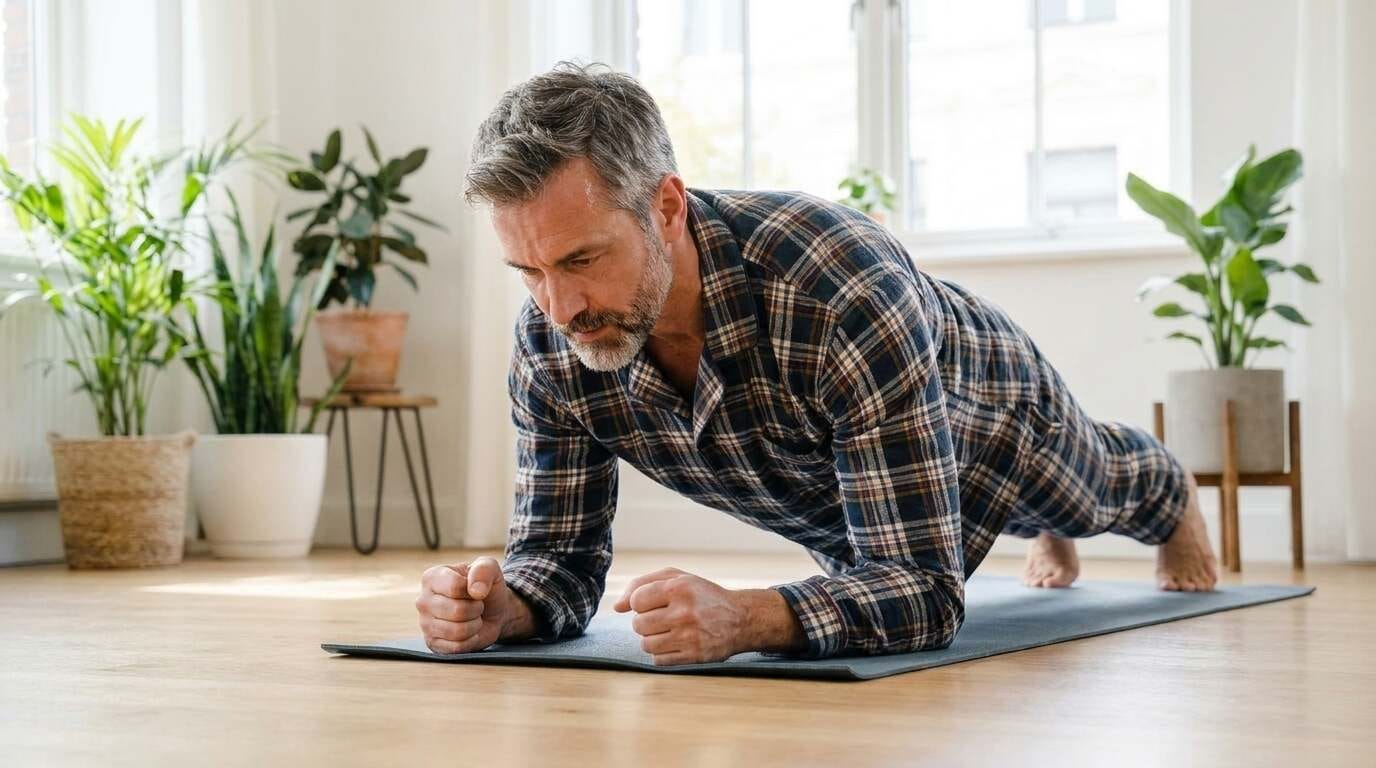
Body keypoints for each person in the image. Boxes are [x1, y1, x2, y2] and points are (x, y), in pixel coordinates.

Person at [415, 62, 1219, 666]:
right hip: (841, 493)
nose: (558, 309)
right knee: (878, 558)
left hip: (993, 412)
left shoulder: (837, 288)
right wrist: (502, 608)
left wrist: (747, 617)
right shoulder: (552, 345)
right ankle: (1047, 534)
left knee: (1085, 495)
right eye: (529, 272)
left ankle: (1165, 491)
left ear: (666, 208)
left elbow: (926, 593)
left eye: (583, 259)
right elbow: (556, 561)